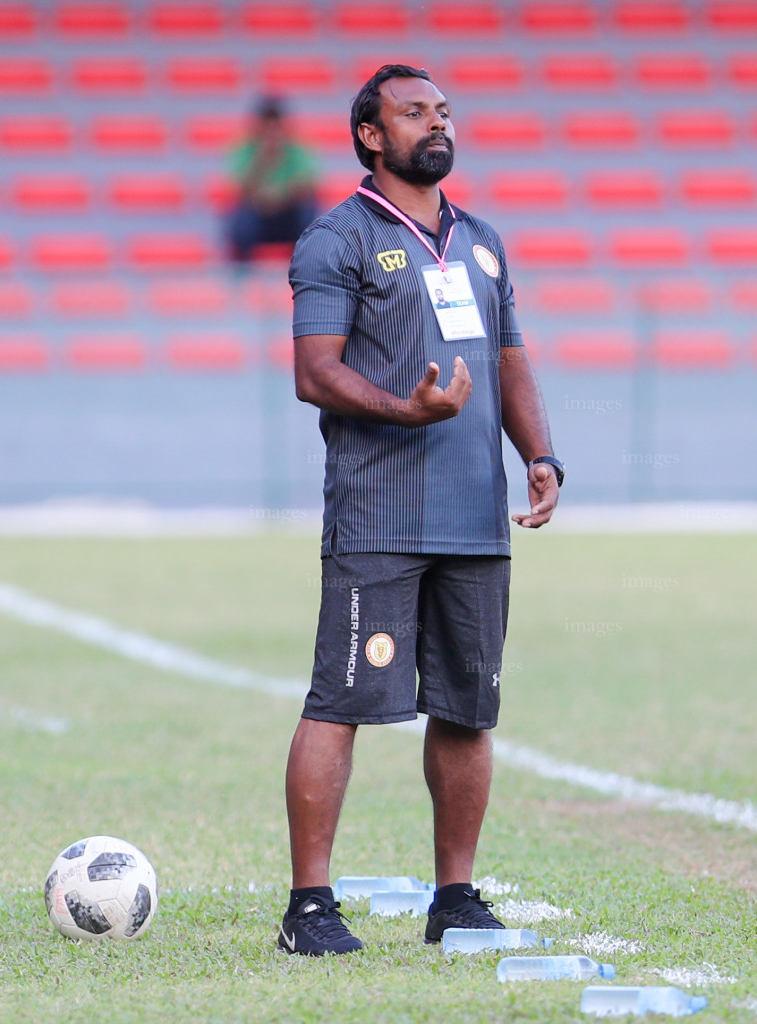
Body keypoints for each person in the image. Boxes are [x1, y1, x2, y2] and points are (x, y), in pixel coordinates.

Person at [277, 64, 564, 956]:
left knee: (469, 710)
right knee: (343, 702)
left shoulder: (481, 241)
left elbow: (511, 360)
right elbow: (312, 373)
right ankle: (310, 907)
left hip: (474, 520)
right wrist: (409, 409)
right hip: (379, 519)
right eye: (414, 113)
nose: (436, 125)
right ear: (370, 134)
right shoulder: (337, 239)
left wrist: (540, 455)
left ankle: (457, 897)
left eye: (442, 111)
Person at [224, 97, 318, 263]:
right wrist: (261, 161)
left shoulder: (295, 149)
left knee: (309, 215)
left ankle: (308, 268)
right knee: (239, 222)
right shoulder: (247, 149)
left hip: (288, 213)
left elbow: (306, 185)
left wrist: (277, 197)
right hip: (258, 214)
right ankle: (240, 276)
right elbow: (241, 189)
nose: (271, 131)